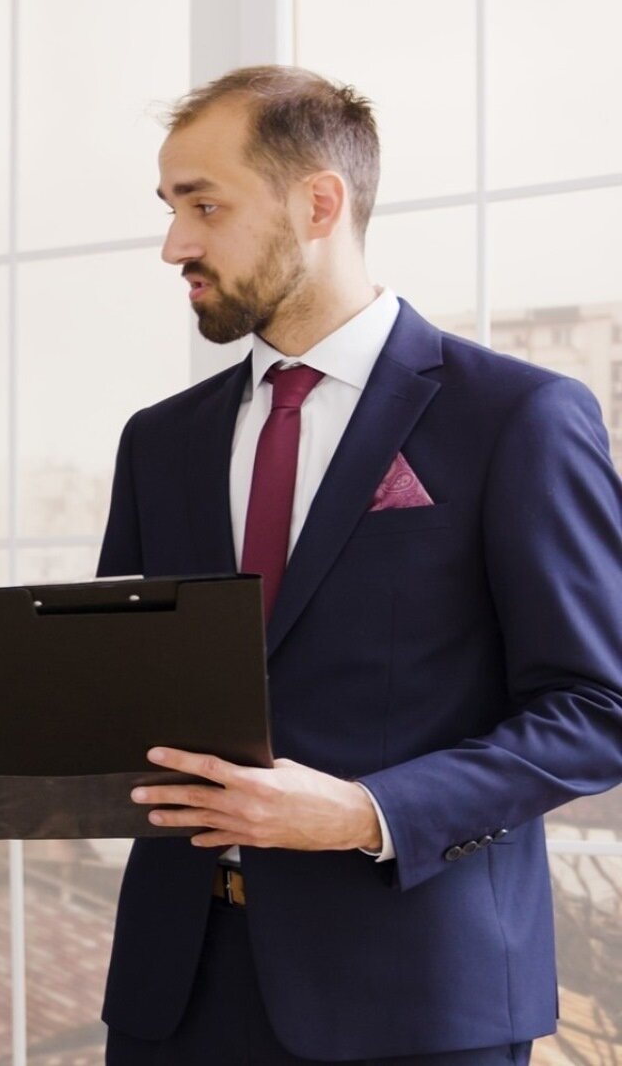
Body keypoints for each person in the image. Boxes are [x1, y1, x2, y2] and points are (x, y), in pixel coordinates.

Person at [94, 65, 622, 1063]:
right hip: (175, 991)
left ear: (318, 203)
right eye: (170, 208)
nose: (175, 244)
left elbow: (597, 708)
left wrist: (363, 814)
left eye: (203, 205)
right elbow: (125, 693)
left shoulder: (514, 418)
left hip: (414, 997)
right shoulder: (157, 441)